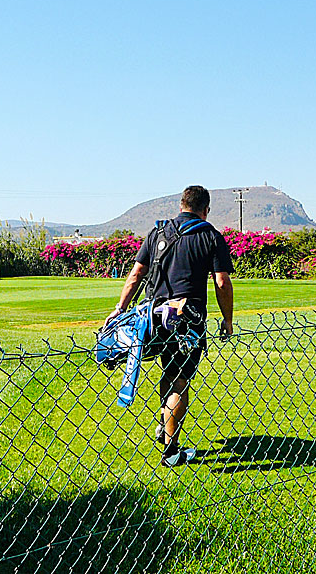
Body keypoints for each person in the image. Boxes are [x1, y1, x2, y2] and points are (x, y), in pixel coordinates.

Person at [103, 185, 234, 467]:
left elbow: (137, 274)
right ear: (206, 209)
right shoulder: (211, 236)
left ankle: (164, 427)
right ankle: (171, 452)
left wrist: (119, 309)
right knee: (179, 380)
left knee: (168, 372)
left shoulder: (158, 232)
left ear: (181, 205)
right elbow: (221, 282)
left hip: (155, 318)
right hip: (188, 322)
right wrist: (227, 319)